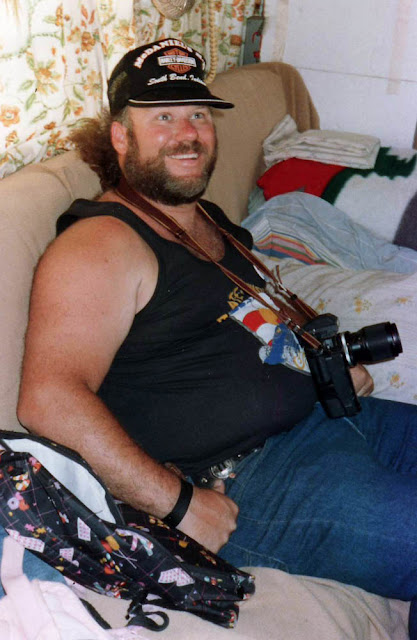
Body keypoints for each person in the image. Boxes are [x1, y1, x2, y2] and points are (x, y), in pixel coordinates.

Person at [16, 39, 417, 620]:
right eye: (163, 117)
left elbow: (261, 304)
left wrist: (325, 355)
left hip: (330, 423)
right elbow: (47, 401)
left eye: (199, 114)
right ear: (121, 136)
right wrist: (179, 505)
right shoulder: (98, 246)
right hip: (253, 480)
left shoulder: (204, 218)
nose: (188, 134)